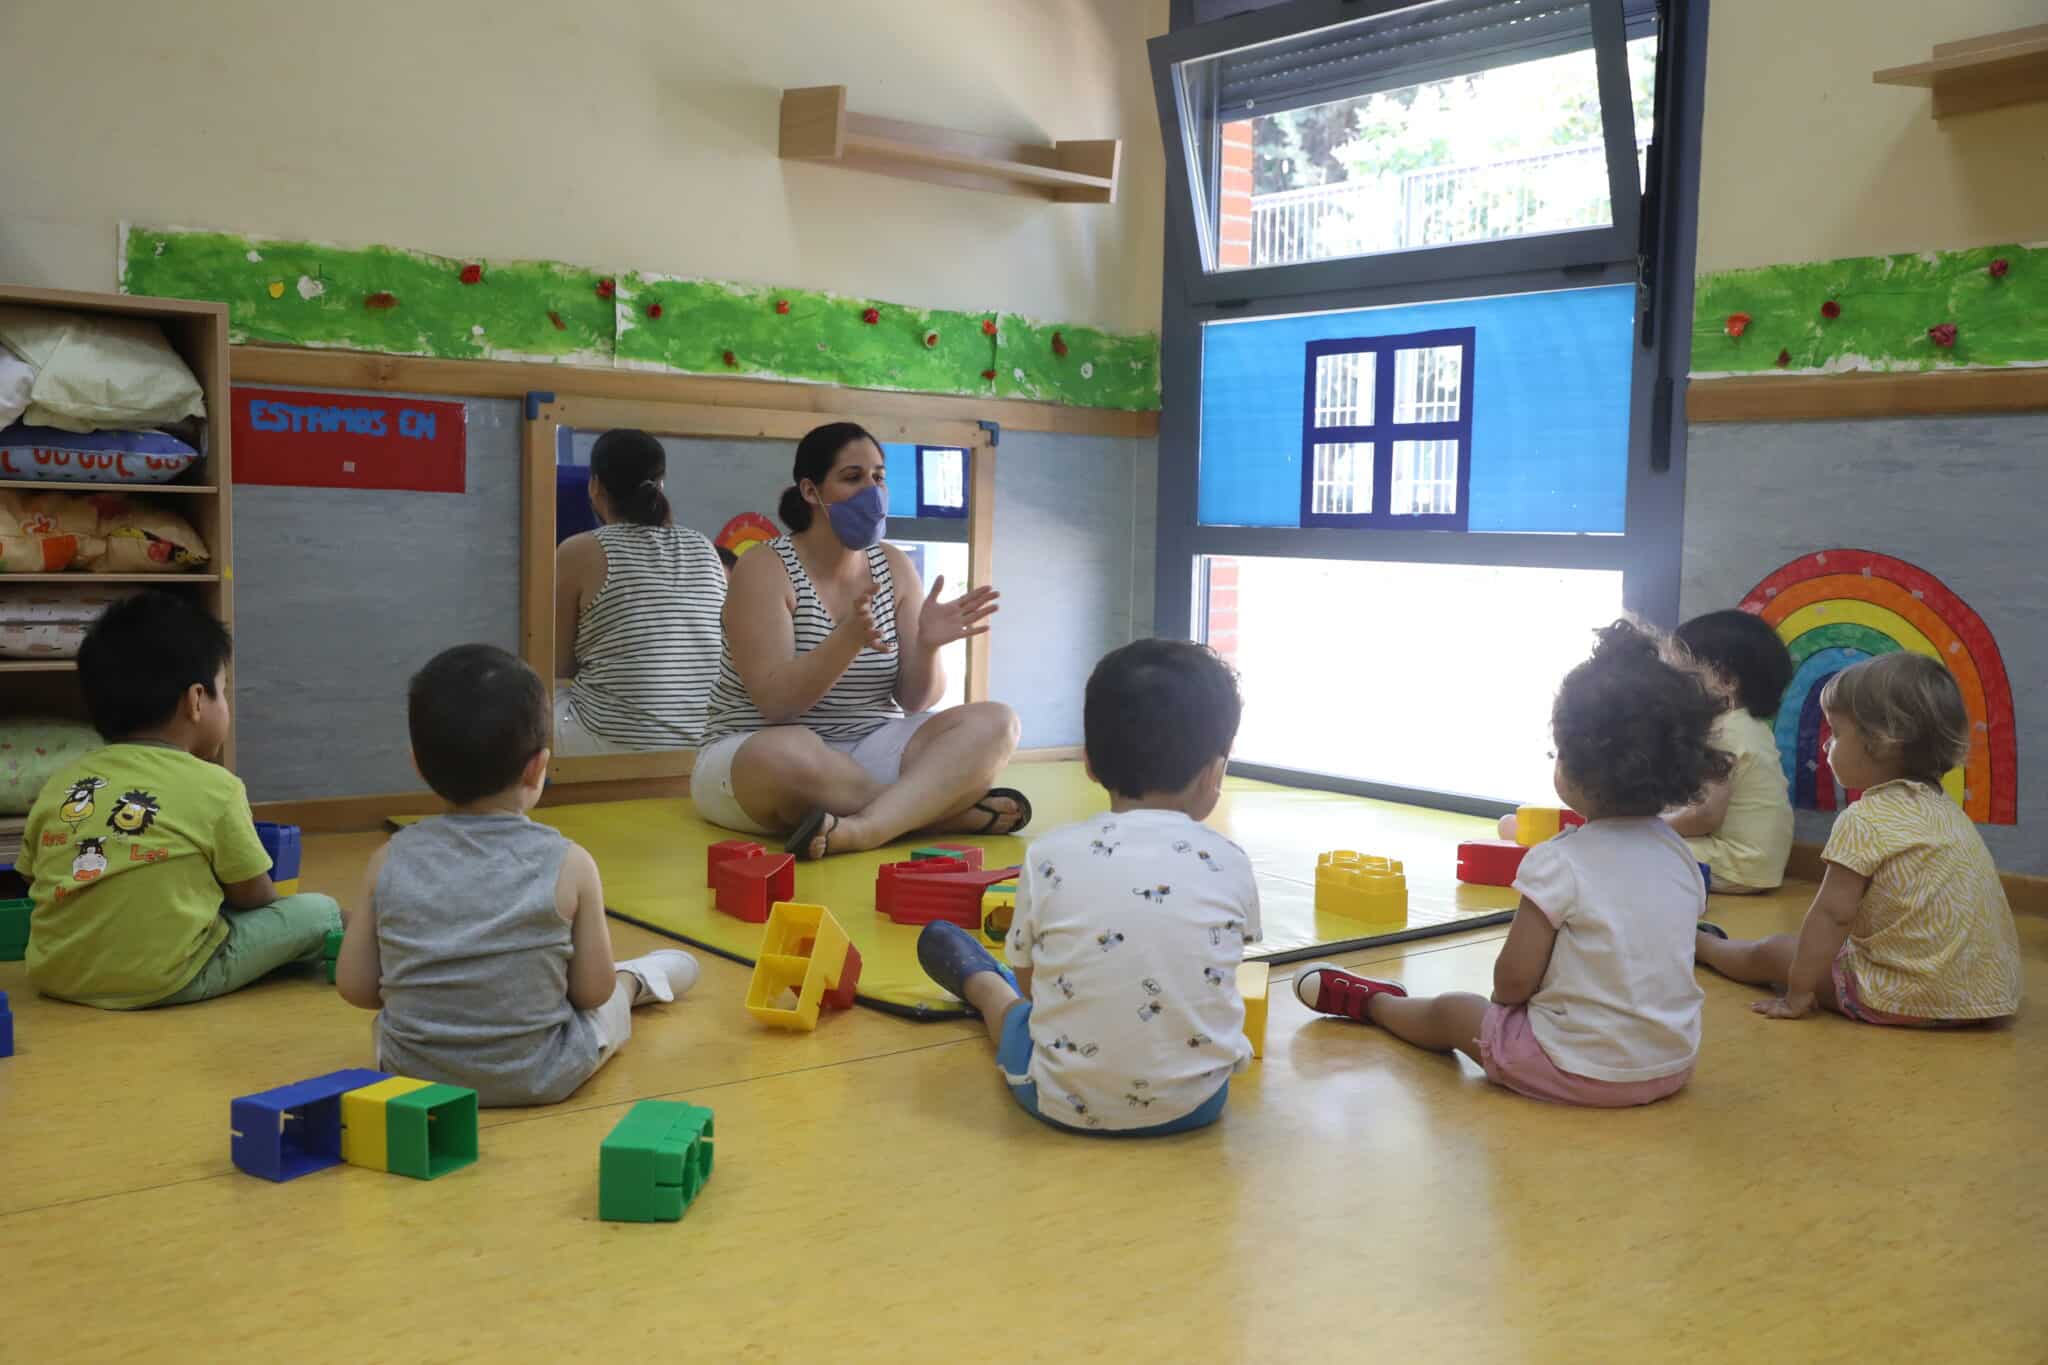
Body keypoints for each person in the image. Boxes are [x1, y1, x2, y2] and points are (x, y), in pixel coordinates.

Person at [1297, 621, 1724, 1108]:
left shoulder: (1560, 862)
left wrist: (1518, 1016)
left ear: (1571, 765)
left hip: (1576, 1070)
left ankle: (1376, 1004)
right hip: (1669, 1065)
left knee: (1457, 1011)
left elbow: (1511, 984)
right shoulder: (1678, 856)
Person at [915, 638, 1259, 1135]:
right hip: (1199, 1102)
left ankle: (980, 985)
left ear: (1089, 763)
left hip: (1058, 1100)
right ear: (1214, 772)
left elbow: (1034, 989)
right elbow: (1222, 968)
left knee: (1010, 1010)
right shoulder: (1232, 861)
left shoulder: (1049, 854)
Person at [335, 644, 700, 1106]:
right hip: (542, 1072)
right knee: (608, 1003)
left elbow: (356, 986)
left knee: (387, 1030)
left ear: (418, 767)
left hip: (415, 1075)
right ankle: (640, 980)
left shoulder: (388, 860)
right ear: (538, 768)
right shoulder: (571, 863)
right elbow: (590, 991)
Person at [693, 421, 1028, 860]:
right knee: (785, 753)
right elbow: (775, 704)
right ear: (811, 492)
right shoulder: (764, 568)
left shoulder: (893, 565)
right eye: (853, 478)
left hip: (869, 747)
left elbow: (915, 699)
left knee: (998, 722)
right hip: (756, 753)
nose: (872, 490)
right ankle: (942, 815)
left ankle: (867, 828)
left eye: (878, 477)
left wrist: (928, 646)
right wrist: (846, 639)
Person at [20, 591, 341, 1008]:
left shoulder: (62, 782)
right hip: (165, 977)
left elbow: (33, 878)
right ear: (195, 701)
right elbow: (253, 898)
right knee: (319, 911)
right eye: (222, 692)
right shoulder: (216, 786)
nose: (225, 704)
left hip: (56, 973)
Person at [1696, 653, 2022, 1026]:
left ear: (1882, 742)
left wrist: (1799, 990)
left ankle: (1703, 945)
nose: (1825, 747)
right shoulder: (1947, 813)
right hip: (1987, 998)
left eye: (1835, 733)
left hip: (1905, 999)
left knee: (1776, 950)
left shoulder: (1864, 819)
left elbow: (1833, 915)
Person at [554, 429, 727, 755]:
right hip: (704, 742)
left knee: (540, 699)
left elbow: (558, 666)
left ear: (594, 486)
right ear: (661, 485)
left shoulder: (580, 550)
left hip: (611, 742)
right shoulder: (703, 546)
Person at [1662, 609, 1796, 893]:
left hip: (1737, 864)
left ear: (1726, 680)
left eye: (1680, 676)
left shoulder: (1724, 733)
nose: (1669, 687)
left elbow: (1706, 815)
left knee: (1634, 847)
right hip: (1756, 864)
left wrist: (1650, 828)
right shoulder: (1750, 727)